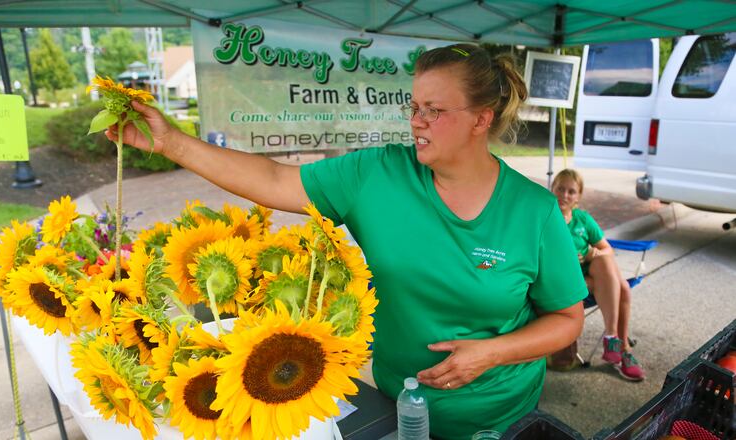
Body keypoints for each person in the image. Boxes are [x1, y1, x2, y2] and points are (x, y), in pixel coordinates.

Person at [109, 44, 587, 439]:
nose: (417, 121)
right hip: (395, 404)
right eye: (414, 108)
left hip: (500, 418)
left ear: (482, 119)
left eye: (435, 111)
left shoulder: (534, 211)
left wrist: (492, 352)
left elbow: (566, 320)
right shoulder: (375, 173)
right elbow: (276, 180)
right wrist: (171, 143)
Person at [551, 168, 646, 381]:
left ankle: (613, 339)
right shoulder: (546, 219)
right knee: (622, 289)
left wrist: (590, 254)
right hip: (565, 283)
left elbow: (607, 249)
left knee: (605, 262)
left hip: (593, 281)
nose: (564, 195)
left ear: (579, 196)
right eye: (560, 189)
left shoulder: (583, 219)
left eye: (571, 191)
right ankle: (623, 347)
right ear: (552, 188)